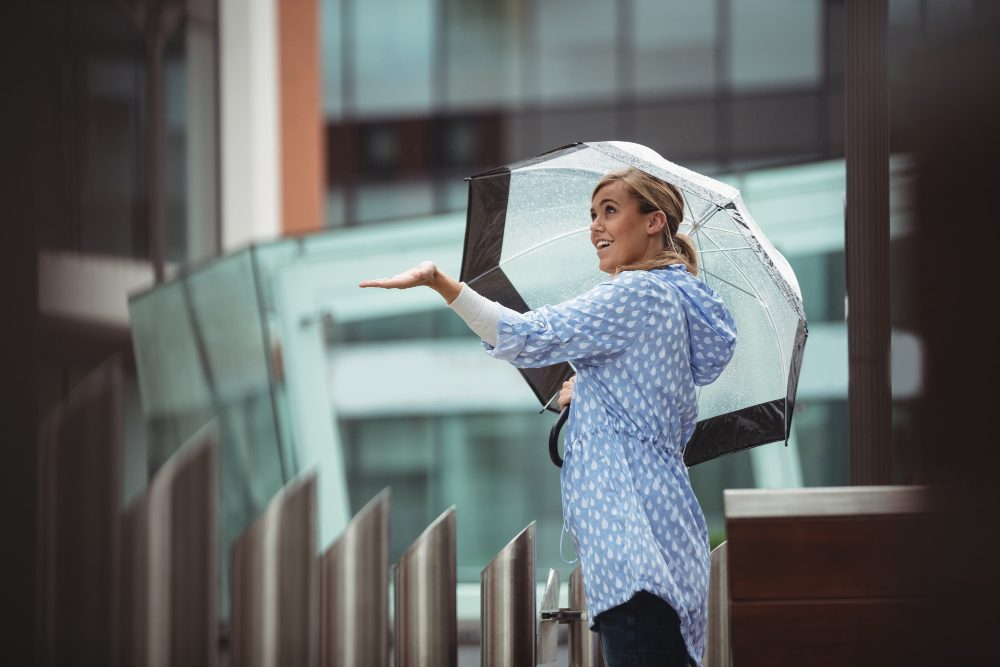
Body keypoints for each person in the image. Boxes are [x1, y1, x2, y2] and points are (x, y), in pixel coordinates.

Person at [361, 168, 736, 667]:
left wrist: (441, 283)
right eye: (593, 214)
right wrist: (589, 393)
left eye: (610, 211)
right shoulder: (672, 299)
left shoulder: (636, 293)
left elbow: (527, 334)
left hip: (635, 553)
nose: (596, 226)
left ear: (654, 222)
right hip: (665, 542)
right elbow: (641, 403)